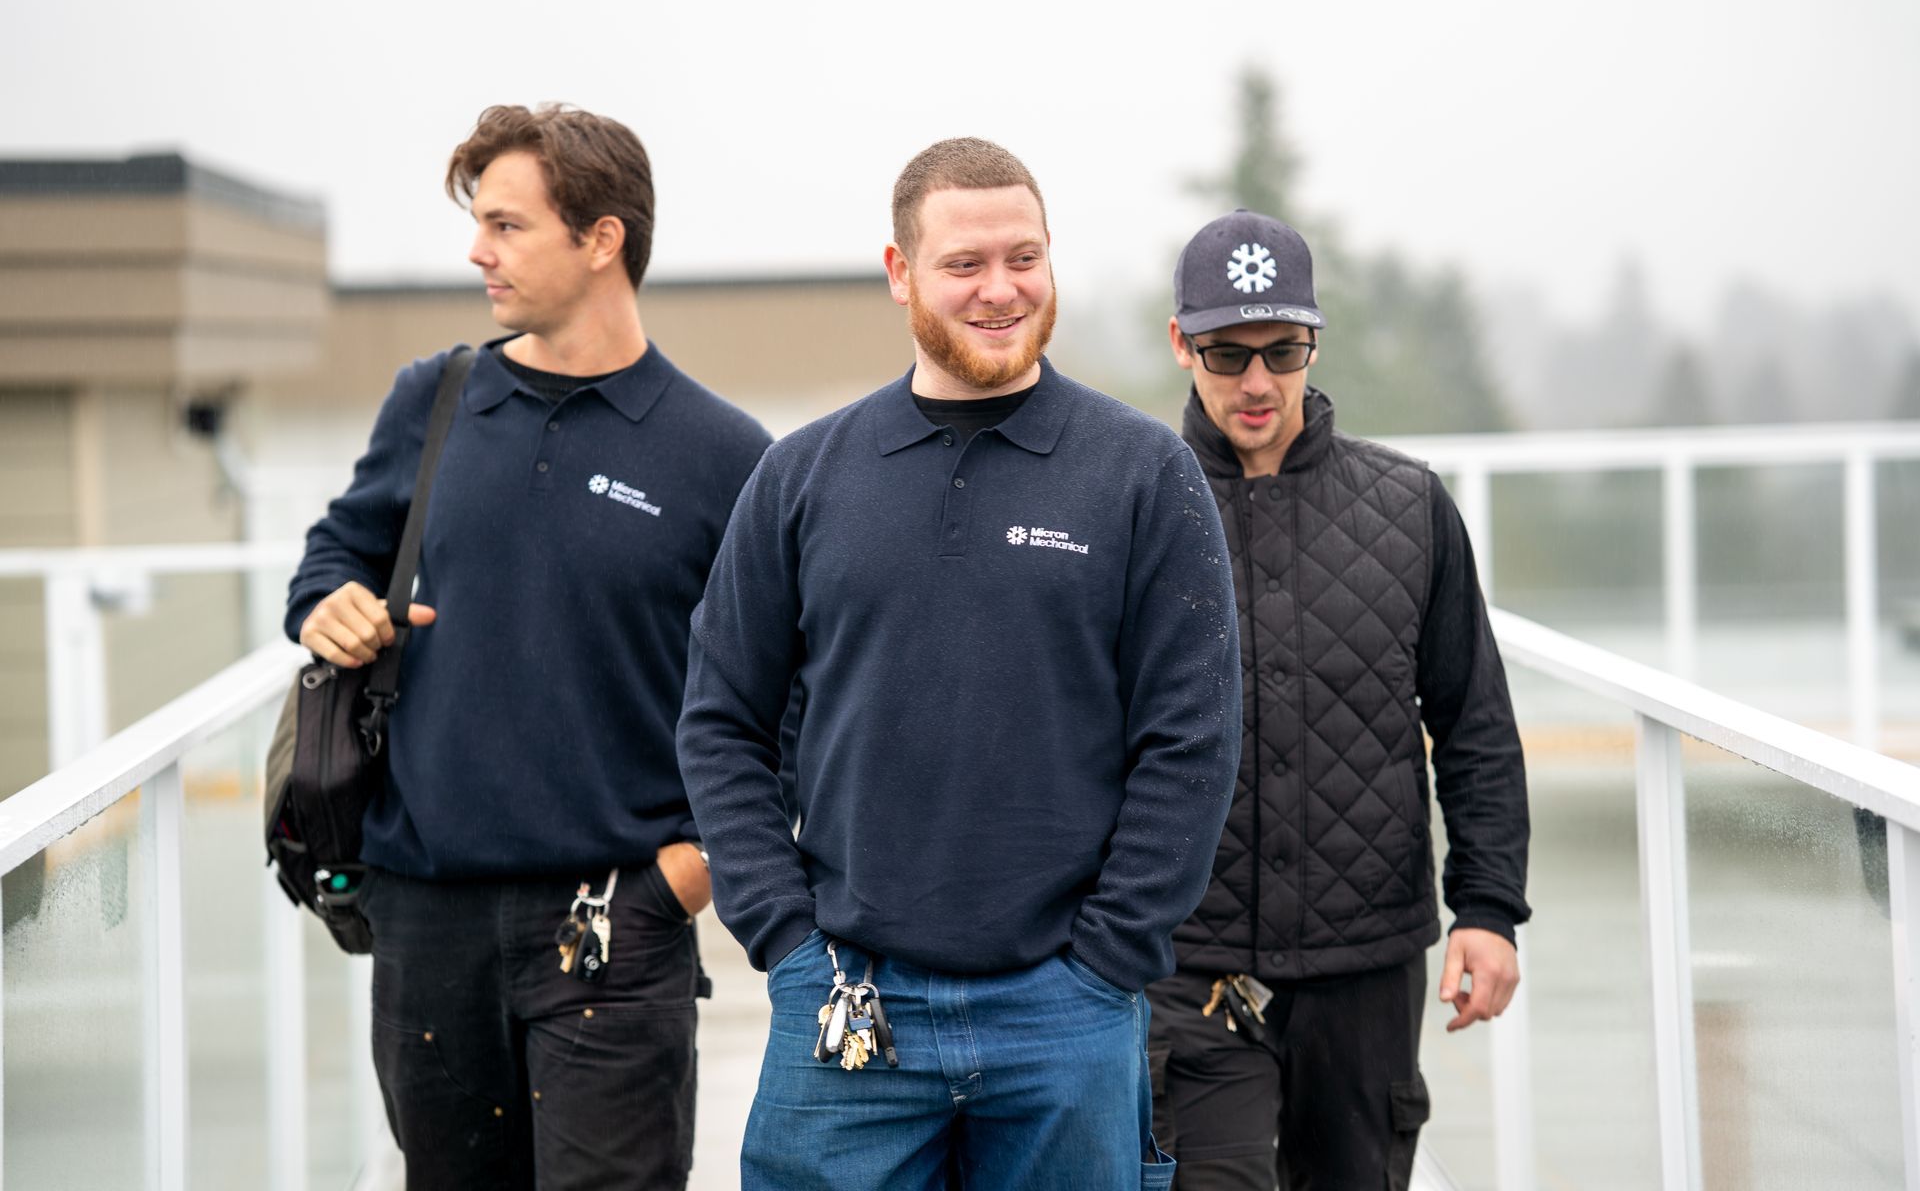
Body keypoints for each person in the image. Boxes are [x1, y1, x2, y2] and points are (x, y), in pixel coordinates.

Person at [676, 137, 1241, 1190]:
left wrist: (1108, 957)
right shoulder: (803, 476)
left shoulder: (1140, 470)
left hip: (1065, 1008)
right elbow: (721, 720)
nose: (1000, 289)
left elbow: (1193, 737)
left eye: (1023, 257)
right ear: (900, 274)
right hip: (848, 1002)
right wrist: (787, 944)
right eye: (964, 263)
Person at [285, 103, 771, 1190]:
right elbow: (333, 556)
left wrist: (680, 881)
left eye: (507, 225)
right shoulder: (437, 398)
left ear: (602, 238)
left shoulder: (726, 456)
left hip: (615, 924)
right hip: (423, 923)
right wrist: (333, 605)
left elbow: (786, 704)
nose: (478, 250)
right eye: (478, 224)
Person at [1149, 209, 1531, 1190]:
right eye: (1227, 352)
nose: (1257, 381)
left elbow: (1473, 721)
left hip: (1366, 964)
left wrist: (1487, 910)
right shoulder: (1130, 507)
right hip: (1185, 963)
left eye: (1282, 349)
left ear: (1314, 340)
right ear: (1180, 341)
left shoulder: (1410, 506)